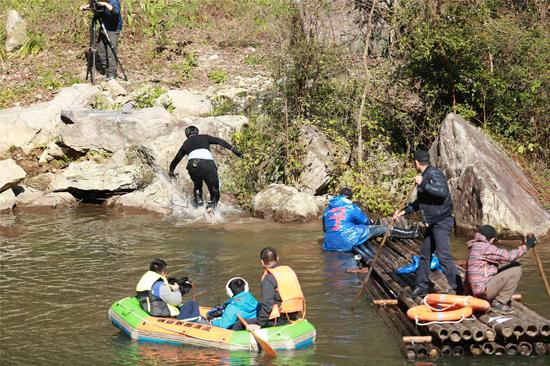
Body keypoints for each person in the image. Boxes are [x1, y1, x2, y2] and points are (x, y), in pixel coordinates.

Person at [393, 150, 461, 298]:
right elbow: (421, 202)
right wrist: (402, 212)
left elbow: (442, 192)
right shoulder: (424, 176)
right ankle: (421, 286)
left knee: (443, 257)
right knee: (425, 254)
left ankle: (459, 288)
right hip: (433, 221)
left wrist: (422, 182)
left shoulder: (434, 174)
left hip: (442, 221)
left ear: (417, 163)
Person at [465, 225, 536, 314]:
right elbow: (509, 256)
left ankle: (495, 298)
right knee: (516, 268)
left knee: (508, 266)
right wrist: (527, 246)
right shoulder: (484, 247)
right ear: (491, 239)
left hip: (475, 291)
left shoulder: (475, 246)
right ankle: (499, 302)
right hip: (482, 293)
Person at [168, 126, 243, 210]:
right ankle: (211, 206)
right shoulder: (204, 137)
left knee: (197, 184)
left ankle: (199, 204)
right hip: (208, 164)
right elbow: (220, 141)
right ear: (197, 132)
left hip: (193, 165)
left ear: (187, 134)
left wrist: (171, 171)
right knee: (215, 190)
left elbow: (176, 159)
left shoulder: (186, 143)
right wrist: (234, 150)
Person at [322, 187, 419, 252]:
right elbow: (365, 221)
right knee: (384, 228)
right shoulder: (351, 207)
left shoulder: (327, 211)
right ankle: (411, 233)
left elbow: (325, 230)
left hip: (329, 245)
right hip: (349, 240)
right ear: (350, 198)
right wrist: (371, 223)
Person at [243, 247, 305, 331]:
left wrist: (259, 324)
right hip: (294, 314)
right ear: (277, 258)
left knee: (239, 324)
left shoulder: (268, 278)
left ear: (262, 262)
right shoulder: (289, 271)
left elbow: (268, 305)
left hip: (279, 319)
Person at [136, 259, 202, 321]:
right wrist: (176, 290)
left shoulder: (147, 278)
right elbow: (176, 302)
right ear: (162, 272)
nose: (166, 273)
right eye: (165, 271)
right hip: (162, 314)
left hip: (148, 308)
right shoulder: (160, 286)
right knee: (192, 304)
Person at [79, 1, 123, 81]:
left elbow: (115, 12)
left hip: (113, 30)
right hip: (104, 28)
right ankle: (105, 70)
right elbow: (95, 4)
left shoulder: (114, 1)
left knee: (111, 52)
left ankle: (111, 74)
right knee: (101, 50)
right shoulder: (102, 1)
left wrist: (105, 4)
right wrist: (86, 6)